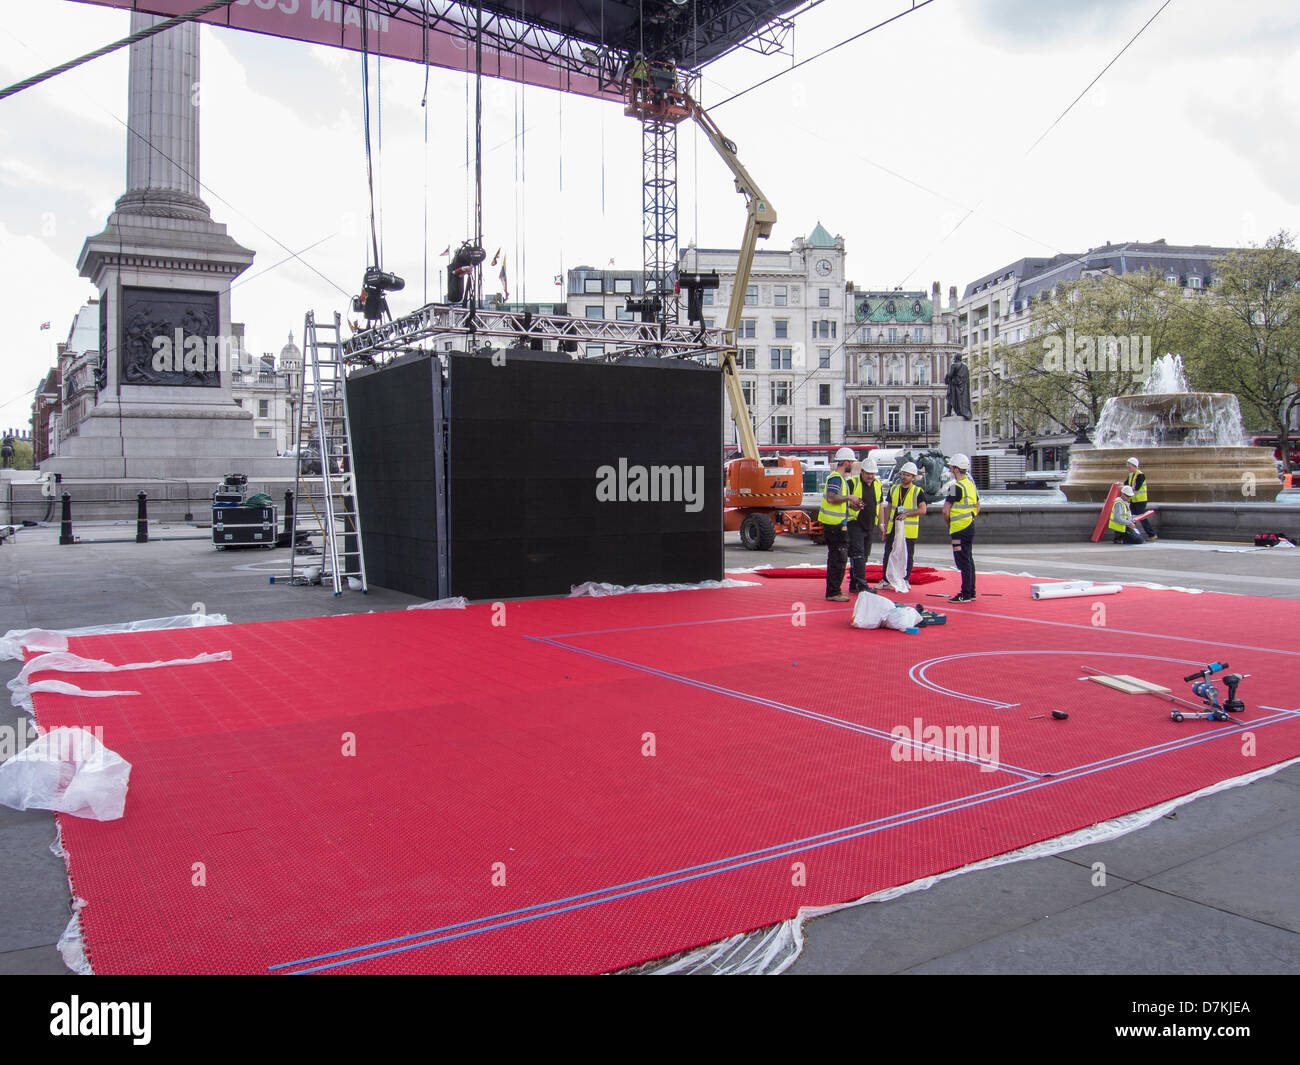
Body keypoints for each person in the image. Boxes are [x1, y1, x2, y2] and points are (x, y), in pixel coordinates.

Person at [818, 446, 864, 602]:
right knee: (838, 558)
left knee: (837, 558)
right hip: (835, 526)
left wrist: (854, 505)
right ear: (845, 462)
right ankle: (833, 592)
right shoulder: (836, 478)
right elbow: (832, 498)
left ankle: (834, 590)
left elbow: (838, 502)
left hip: (836, 524)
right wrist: (850, 497)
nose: (853, 465)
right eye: (851, 462)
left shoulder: (840, 479)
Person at [878, 461, 927, 587]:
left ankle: (905, 579)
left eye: (908, 475)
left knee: (907, 554)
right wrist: (884, 524)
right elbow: (888, 507)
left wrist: (907, 514)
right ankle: (886, 579)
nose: (904, 477)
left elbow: (923, 510)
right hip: (893, 526)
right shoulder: (894, 489)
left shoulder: (918, 491)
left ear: (913, 477)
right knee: (888, 552)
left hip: (908, 529)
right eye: (903, 474)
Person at [943, 453, 980, 602]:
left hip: (958, 529)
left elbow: (945, 509)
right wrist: (971, 516)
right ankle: (971, 592)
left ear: (956, 469)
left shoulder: (954, 487)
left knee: (962, 560)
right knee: (969, 559)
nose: (950, 469)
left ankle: (965, 593)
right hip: (969, 526)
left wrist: (949, 523)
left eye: (951, 467)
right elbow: (978, 505)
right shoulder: (970, 485)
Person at [846, 456, 882, 592]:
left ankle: (854, 584)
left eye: (873, 474)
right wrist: (851, 506)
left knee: (864, 555)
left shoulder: (877, 485)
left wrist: (882, 524)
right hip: (855, 523)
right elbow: (842, 501)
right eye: (868, 473)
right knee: (858, 554)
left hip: (869, 524)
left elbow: (880, 505)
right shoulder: (852, 483)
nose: (871, 476)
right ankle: (862, 585)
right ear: (862, 472)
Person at [1125, 457, 1156, 540]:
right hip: (1133, 500)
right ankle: (1131, 534)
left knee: (1141, 518)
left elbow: (1137, 487)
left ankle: (1152, 534)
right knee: (1129, 516)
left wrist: (1125, 487)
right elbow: (1126, 484)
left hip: (1140, 500)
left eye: (1129, 466)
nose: (1128, 468)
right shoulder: (1131, 475)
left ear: (1135, 466)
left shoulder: (1140, 475)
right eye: (1128, 466)